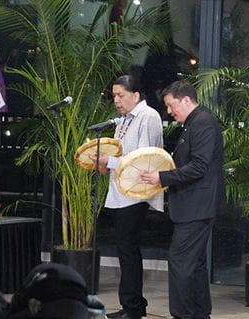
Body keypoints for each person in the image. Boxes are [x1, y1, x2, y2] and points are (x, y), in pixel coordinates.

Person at [141, 80, 224, 319]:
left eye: (170, 105)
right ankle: (200, 314)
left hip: (197, 207)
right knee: (195, 264)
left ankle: (183, 314)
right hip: (193, 206)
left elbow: (199, 166)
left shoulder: (202, 123)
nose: (169, 111)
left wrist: (161, 177)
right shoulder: (192, 123)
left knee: (179, 262)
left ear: (186, 100)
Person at [98, 75, 164, 319]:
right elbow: (120, 153)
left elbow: (145, 159)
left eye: (121, 95)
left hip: (136, 193)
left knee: (128, 250)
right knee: (125, 250)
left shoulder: (148, 117)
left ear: (136, 95)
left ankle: (133, 308)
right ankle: (130, 305)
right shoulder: (124, 120)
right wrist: (105, 164)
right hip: (120, 193)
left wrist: (112, 161)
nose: (116, 100)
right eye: (114, 95)